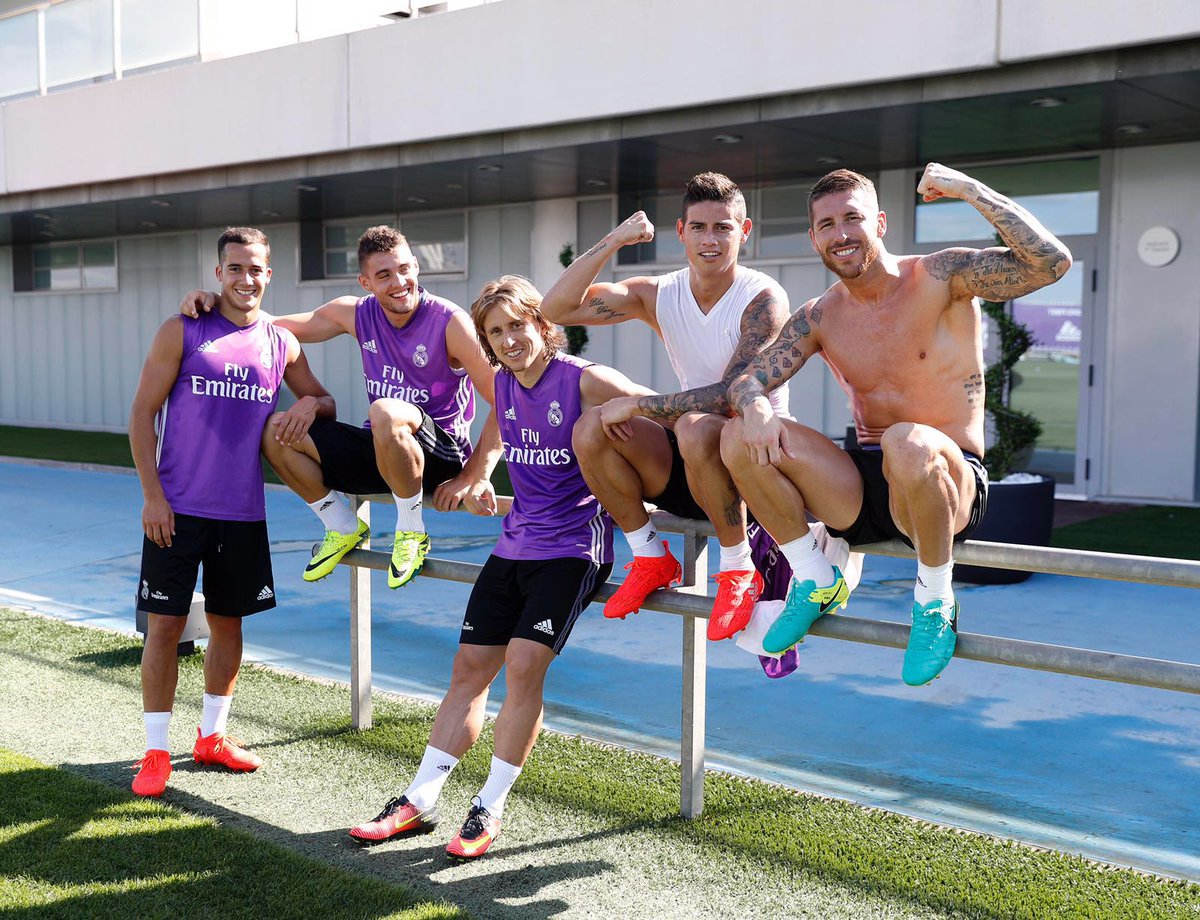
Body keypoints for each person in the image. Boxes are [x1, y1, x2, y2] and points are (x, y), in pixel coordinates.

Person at [722, 164, 1072, 685]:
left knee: (906, 441)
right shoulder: (820, 316)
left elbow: (1050, 264)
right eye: (827, 224)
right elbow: (744, 381)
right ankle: (815, 577)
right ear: (813, 237)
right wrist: (753, 406)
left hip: (946, 479)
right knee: (736, 436)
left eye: (853, 218)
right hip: (864, 489)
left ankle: (934, 603)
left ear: (880, 223)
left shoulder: (941, 276)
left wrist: (968, 191)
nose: (841, 234)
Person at [348, 275, 651, 860]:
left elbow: (655, 408)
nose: (508, 340)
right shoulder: (507, 387)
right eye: (495, 332)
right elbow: (493, 438)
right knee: (468, 669)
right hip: (514, 545)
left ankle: (489, 806)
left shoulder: (585, 381)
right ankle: (420, 798)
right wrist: (478, 474)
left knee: (522, 664)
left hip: (573, 549)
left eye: (517, 325)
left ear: (542, 323)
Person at [129, 227, 336, 797]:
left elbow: (324, 398)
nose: (246, 279)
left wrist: (311, 405)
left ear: (269, 275)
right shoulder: (184, 328)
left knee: (229, 624)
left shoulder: (281, 342)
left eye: (257, 270)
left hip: (242, 513)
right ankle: (154, 751)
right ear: (218, 273)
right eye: (236, 268)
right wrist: (153, 496)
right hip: (176, 507)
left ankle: (212, 737)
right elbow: (142, 414)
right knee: (165, 627)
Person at [541, 172, 791, 642]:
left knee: (695, 426)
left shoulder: (762, 298)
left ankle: (739, 569)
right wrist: (616, 239)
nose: (710, 240)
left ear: (745, 230)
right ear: (681, 232)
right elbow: (554, 310)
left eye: (723, 227)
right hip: (695, 458)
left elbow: (729, 395)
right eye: (698, 227)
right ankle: (650, 555)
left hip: (756, 462)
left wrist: (636, 404)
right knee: (590, 427)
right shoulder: (659, 294)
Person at [181, 225, 498, 590]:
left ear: (416, 267)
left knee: (385, 411)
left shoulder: (450, 322)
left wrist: (475, 473)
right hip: (385, 447)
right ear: (365, 282)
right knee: (274, 430)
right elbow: (267, 324)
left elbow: (507, 401)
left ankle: (411, 532)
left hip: (438, 454)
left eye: (405, 269)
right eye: (384, 275)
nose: (399, 282)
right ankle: (341, 524)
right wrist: (214, 301)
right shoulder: (355, 313)